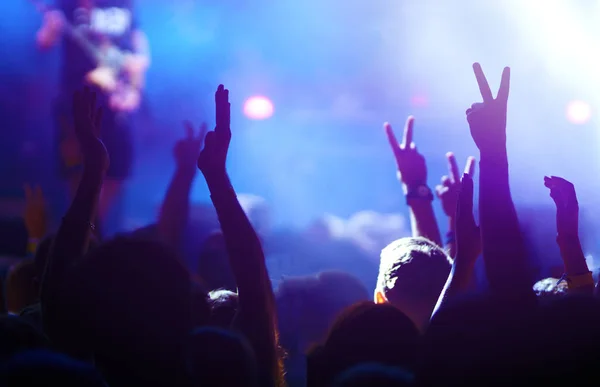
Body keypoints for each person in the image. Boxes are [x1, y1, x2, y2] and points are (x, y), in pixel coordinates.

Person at [36, 0, 150, 233]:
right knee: (79, 171)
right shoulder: (67, 4)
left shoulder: (124, 4)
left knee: (117, 170)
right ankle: (80, 234)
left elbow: (139, 46)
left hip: (117, 103)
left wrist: (135, 87)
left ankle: (93, 230)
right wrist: (51, 29)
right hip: (78, 101)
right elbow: (44, 43)